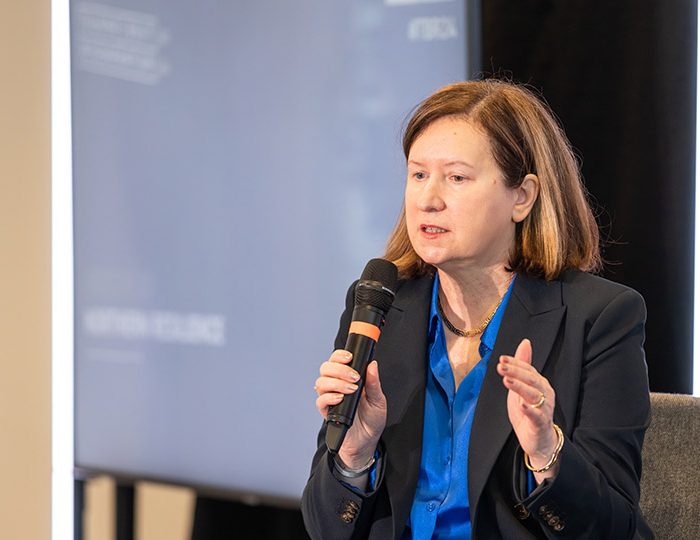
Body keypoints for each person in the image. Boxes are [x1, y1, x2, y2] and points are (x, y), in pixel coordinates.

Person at [302, 80, 653, 539]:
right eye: (418, 175)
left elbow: (617, 530)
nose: (428, 199)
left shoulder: (599, 318)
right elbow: (325, 529)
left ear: (522, 197)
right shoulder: (379, 307)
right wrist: (354, 454)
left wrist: (547, 454)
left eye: (456, 178)